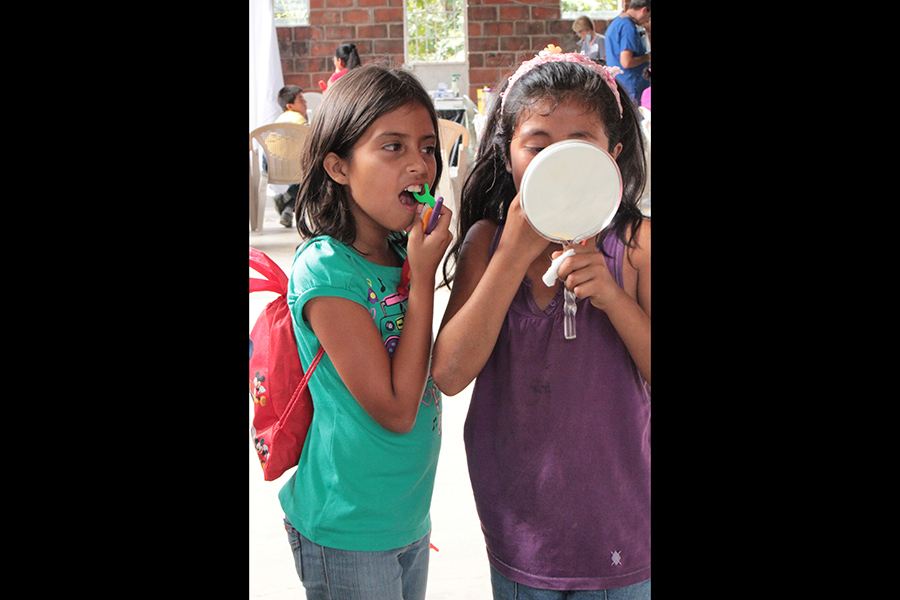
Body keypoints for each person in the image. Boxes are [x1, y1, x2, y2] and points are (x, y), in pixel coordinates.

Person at [431, 45, 650, 599]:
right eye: (539, 144)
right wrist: (510, 254)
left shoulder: (635, 244)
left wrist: (613, 297)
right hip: (521, 521)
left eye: (581, 143)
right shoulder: (486, 242)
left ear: (613, 153)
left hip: (623, 517)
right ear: (510, 156)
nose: (559, 159)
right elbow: (450, 373)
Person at [280, 64, 453, 600]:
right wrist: (422, 279)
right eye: (392, 148)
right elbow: (398, 409)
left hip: (404, 516)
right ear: (338, 166)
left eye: (427, 147)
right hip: (347, 527)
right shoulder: (326, 270)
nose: (419, 167)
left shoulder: (403, 251)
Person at [272, 85, 309, 228]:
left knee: (303, 177)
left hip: (272, 164)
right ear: (290, 106)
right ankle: (286, 199)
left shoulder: (279, 119)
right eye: (301, 99)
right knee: (311, 174)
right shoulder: (298, 119)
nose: (305, 103)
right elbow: (311, 140)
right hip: (293, 165)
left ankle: (287, 209)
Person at [604, 0, 652, 105]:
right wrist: (648, 57)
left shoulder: (617, 22)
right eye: (649, 16)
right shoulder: (628, 27)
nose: (647, 20)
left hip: (620, 83)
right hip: (631, 85)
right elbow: (626, 62)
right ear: (644, 10)